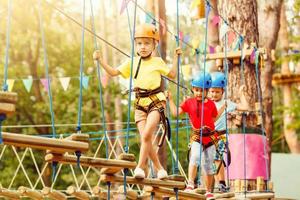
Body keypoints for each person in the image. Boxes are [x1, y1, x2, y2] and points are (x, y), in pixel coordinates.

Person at [93, 23, 182, 179]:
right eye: (139, 43)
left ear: (155, 44)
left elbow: (173, 74)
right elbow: (113, 73)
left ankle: (141, 167)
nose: (143, 47)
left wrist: (176, 57)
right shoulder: (132, 63)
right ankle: (160, 169)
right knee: (146, 138)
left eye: (147, 43)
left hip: (156, 102)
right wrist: (100, 61)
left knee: (147, 134)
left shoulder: (157, 62)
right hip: (140, 105)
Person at [166, 72, 217, 199]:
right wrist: (170, 99)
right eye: (196, 90)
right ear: (193, 89)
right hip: (197, 136)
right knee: (194, 156)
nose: (199, 93)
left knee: (209, 165)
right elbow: (175, 113)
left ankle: (208, 190)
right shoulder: (189, 102)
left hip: (210, 137)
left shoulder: (211, 104)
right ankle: (190, 183)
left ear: (207, 91)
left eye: (202, 91)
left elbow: (214, 117)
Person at [209, 71, 250, 192]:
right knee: (210, 160)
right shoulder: (206, 103)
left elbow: (245, 107)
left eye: (217, 92)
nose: (214, 94)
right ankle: (218, 183)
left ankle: (221, 182)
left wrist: (241, 94)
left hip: (221, 135)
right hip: (208, 136)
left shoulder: (227, 103)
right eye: (212, 91)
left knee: (217, 159)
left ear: (222, 91)